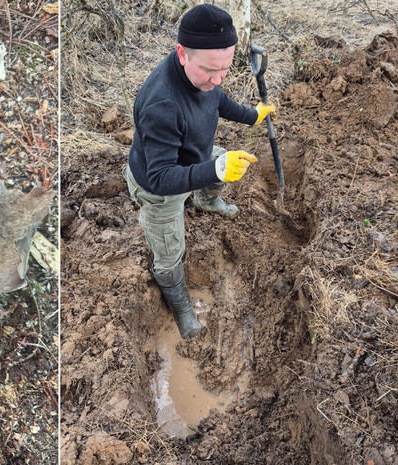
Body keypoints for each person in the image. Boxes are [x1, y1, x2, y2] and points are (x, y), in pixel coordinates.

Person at [123, 4, 276, 339]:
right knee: (168, 252)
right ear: (182, 54)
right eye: (210, 71)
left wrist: (253, 116)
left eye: (225, 69)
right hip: (157, 186)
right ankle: (180, 306)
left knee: (220, 161)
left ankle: (206, 201)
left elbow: (217, 100)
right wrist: (216, 168)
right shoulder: (162, 105)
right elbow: (161, 178)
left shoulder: (203, 73)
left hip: (190, 156)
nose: (217, 79)